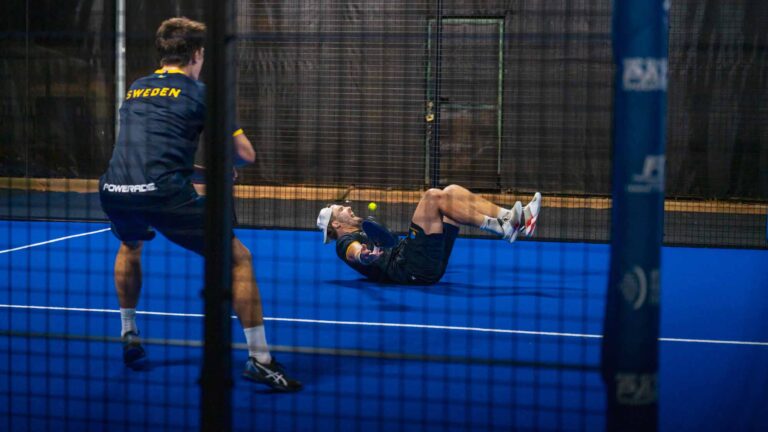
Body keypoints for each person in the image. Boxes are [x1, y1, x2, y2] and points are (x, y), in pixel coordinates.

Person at [99, 17, 301, 392]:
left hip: (114, 188)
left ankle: (129, 332)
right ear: (196, 54)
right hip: (162, 194)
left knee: (130, 245)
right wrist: (226, 165)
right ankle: (260, 360)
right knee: (238, 259)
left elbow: (150, 153)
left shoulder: (136, 88)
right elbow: (245, 154)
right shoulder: (202, 92)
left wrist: (205, 173)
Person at [316, 185, 541, 285]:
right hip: (410, 268)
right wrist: (362, 256)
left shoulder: (362, 230)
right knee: (433, 196)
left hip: (417, 261)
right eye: (341, 209)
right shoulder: (344, 242)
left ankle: (515, 219)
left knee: (452, 191)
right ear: (336, 223)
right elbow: (352, 252)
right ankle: (503, 228)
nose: (347, 208)